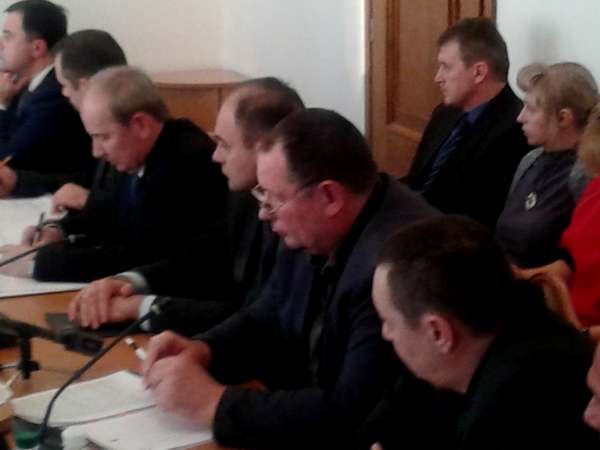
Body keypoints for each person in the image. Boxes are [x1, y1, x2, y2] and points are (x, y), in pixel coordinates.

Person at [141, 108, 437, 449]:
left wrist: (214, 404)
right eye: (261, 195)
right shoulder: (315, 227)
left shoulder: (396, 264)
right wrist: (203, 349)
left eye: (274, 199)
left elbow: (352, 410)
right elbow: (268, 312)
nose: (263, 214)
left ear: (329, 196)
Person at [67, 77, 303, 335]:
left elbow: (257, 320)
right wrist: (127, 282)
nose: (215, 155)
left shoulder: (300, 225)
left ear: (264, 149)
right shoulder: (242, 197)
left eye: (224, 145)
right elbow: (199, 262)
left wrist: (141, 308)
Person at [360, 215, 596, 449]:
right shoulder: (463, 348)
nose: (386, 333)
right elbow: (384, 421)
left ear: (438, 332)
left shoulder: (515, 407)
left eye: (388, 321)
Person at [0, 66, 228, 284]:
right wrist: (59, 230)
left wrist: (38, 264)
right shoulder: (134, 153)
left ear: (140, 125)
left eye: (103, 137)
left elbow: (139, 256)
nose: (96, 151)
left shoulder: (187, 162)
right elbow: (105, 214)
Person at [403, 17, 530, 229]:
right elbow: (417, 181)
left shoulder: (516, 131)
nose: (438, 77)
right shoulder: (445, 112)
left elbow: (477, 218)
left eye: (446, 67)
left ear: (478, 72)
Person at [0, 29, 127, 200]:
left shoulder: (125, 133)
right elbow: (84, 180)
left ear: (85, 86)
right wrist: (17, 181)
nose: (63, 93)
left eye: (64, 85)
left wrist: (90, 203)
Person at [496, 62, 597, 268]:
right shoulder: (530, 161)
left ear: (563, 118)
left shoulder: (584, 174)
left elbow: (579, 259)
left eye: (531, 109)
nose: (520, 117)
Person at [0, 0, 90, 176]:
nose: (0, 45)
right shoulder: (23, 83)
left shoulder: (54, 96)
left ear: (37, 48)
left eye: (8, 37)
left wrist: (1, 104)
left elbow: (6, 160)